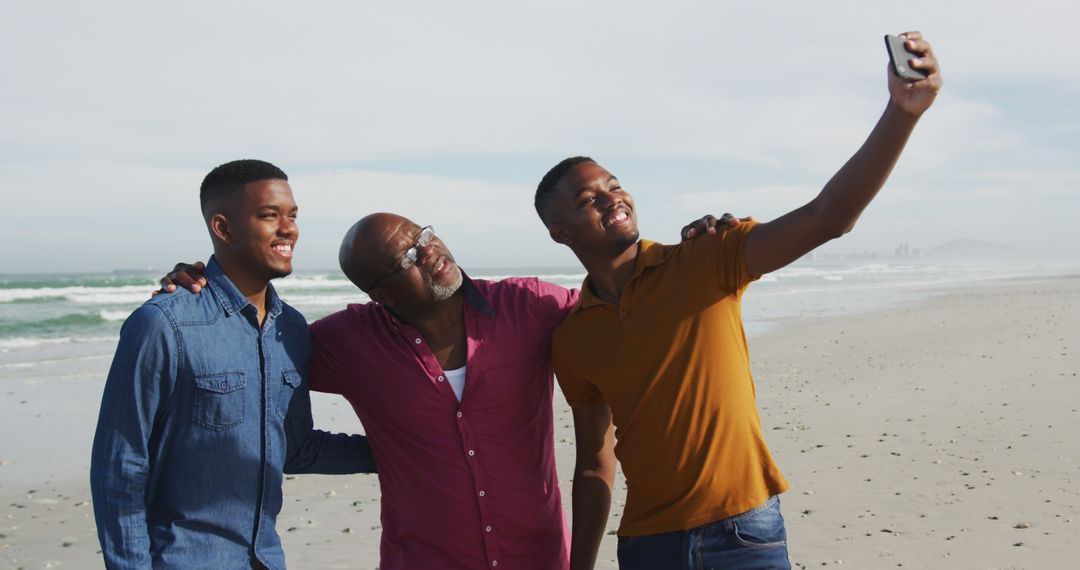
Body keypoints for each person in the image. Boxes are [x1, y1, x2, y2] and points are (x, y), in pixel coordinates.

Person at [533, 32, 942, 569]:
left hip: (745, 533)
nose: (612, 197)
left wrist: (902, 113)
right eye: (589, 198)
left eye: (614, 184)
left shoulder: (706, 258)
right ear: (560, 232)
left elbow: (828, 217)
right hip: (647, 545)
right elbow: (593, 462)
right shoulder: (573, 338)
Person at [161, 211, 735, 568]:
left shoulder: (528, 306)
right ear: (380, 293)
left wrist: (696, 249)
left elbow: (626, 309)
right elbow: (250, 351)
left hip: (539, 559)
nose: (431, 252)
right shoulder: (348, 341)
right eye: (408, 256)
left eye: (426, 235)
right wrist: (206, 286)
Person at [90, 159, 376, 570]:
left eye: (292, 215)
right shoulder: (164, 323)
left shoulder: (291, 329)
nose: (289, 229)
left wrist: (400, 450)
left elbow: (296, 449)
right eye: (268, 215)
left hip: (266, 560)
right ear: (223, 228)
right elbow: (120, 467)